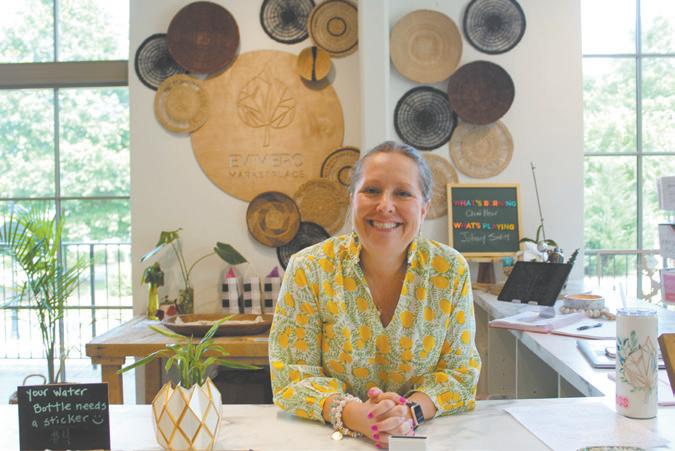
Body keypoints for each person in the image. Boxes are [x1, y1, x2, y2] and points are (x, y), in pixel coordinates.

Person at [269, 141, 481, 448]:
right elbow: (292, 376)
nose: (385, 206)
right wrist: (357, 415)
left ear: (423, 208)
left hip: (420, 438)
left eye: (403, 193)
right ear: (352, 199)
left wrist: (408, 412)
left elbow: (459, 373)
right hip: (330, 440)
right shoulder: (309, 268)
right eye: (371, 190)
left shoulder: (449, 270)